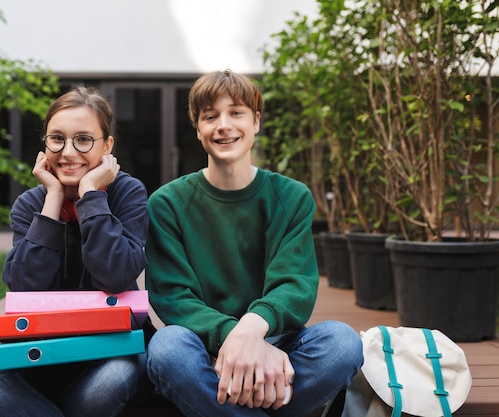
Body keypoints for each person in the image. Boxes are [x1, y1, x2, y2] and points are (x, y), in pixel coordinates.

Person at [145, 70, 364, 417]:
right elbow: (173, 297)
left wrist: (253, 334)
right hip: (203, 348)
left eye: (236, 112)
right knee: (167, 350)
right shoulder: (167, 203)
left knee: (343, 344)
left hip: (276, 340)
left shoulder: (292, 197)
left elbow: (295, 284)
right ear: (197, 127)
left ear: (256, 121)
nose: (223, 125)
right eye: (210, 116)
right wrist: (236, 339)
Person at [0, 86, 152, 417]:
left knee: (118, 376)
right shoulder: (30, 204)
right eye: (57, 139)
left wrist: (90, 194)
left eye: (84, 140)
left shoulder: (128, 194)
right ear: (45, 144)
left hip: (109, 355)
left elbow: (116, 275)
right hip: (40, 355)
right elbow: (23, 285)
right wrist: (52, 200)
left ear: (107, 146)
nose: (68, 152)